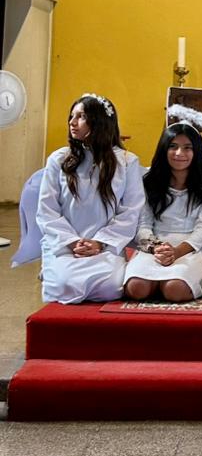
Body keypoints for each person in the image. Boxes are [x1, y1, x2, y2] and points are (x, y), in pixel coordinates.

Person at [37, 93, 145, 304]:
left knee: (110, 288)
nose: (72, 122)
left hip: (105, 245)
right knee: (63, 285)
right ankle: (52, 267)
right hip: (65, 244)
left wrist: (99, 243)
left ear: (99, 122)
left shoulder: (126, 162)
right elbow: (47, 209)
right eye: (72, 116)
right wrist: (72, 242)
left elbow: (131, 210)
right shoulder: (59, 159)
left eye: (81, 117)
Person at [123, 104, 202, 302]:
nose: (179, 153)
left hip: (190, 247)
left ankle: (168, 282)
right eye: (173, 146)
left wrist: (177, 252)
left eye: (187, 148)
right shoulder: (149, 180)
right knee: (136, 288)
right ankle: (154, 282)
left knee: (175, 290)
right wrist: (156, 247)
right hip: (156, 245)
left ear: (197, 151)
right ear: (164, 149)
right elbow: (144, 224)